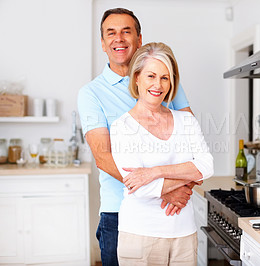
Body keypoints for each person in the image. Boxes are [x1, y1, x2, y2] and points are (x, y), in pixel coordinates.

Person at [77, 8, 195, 266]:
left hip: (173, 212)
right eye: (111, 33)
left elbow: (192, 140)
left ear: (139, 40)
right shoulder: (91, 94)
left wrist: (183, 187)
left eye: (126, 31)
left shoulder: (164, 81)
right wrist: (164, 191)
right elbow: (104, 157)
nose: (118, 38)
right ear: (103, 43)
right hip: (120, 213)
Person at [110, 41, 213, 266]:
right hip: (140, 234)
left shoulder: (186, 120)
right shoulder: (122, 127)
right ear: (136, 77)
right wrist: (185, 179)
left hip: (184, 233)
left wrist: (154, 172)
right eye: (151, 76)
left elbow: (206, 166)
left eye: (165, 77)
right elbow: (139, 186)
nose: (158, 84)